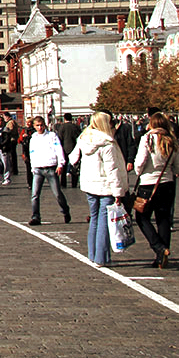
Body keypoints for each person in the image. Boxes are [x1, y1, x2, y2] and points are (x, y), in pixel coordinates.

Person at [69, 112, 128, 267]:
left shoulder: (84, 138)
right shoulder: (107, 144)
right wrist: (118, 192)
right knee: (103, 222)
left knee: (94, 219)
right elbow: (113, 170)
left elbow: (73, 157)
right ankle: (101, 257)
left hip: (89, 184)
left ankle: (93, 254)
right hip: (104, 186)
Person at [133, 112, 179, 268]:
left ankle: (159, 247)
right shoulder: (172, 140)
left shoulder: (147, 139)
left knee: (142, 218)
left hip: (148, 183)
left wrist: (139, 170)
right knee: (163, 219)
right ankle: (162, 255)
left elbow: (140, 162)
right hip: (167, 183)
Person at [27, 116, 71, 226]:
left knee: (57, 194)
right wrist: (33, 167)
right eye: (37, 125)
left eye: (41, 125)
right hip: (38, 169)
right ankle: (35, 216)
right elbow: (32, 153)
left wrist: (60, 163)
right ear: (34, 126)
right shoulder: (33, 138)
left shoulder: (52, 136)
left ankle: (65, 210)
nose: (40, 127)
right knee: (35, 194)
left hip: (50, 168)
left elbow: (58, 149)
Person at [54, 113, 80, 188]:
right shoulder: (75, 126)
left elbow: (59, 138)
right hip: (74, 148)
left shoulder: (62, 127)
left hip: (64, 149)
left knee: (64, 166)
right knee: (74, 166)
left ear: (64, 118)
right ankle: (74, 183)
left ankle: (63, 183)